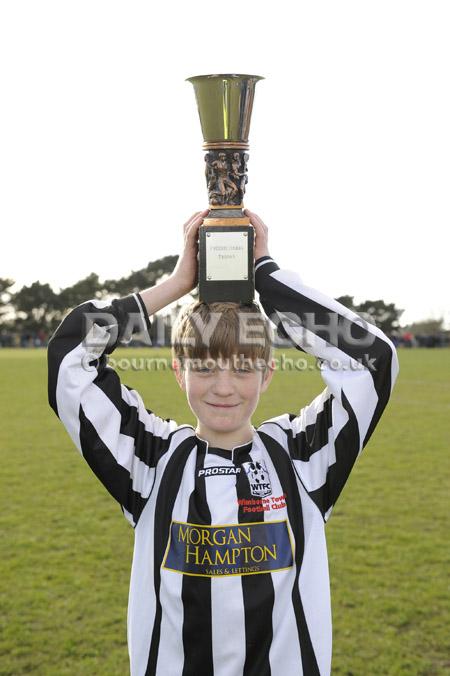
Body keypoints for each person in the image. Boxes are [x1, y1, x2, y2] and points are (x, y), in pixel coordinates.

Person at [47, 209, 399, 676]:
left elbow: (373, 358)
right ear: (179, 371)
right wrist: (177, 284)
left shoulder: (303, 458)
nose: (224, 387)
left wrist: (265, 277)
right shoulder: (149, 460)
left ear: (268, 373)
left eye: (243, 368)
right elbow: (70, 356)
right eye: (206, 367)